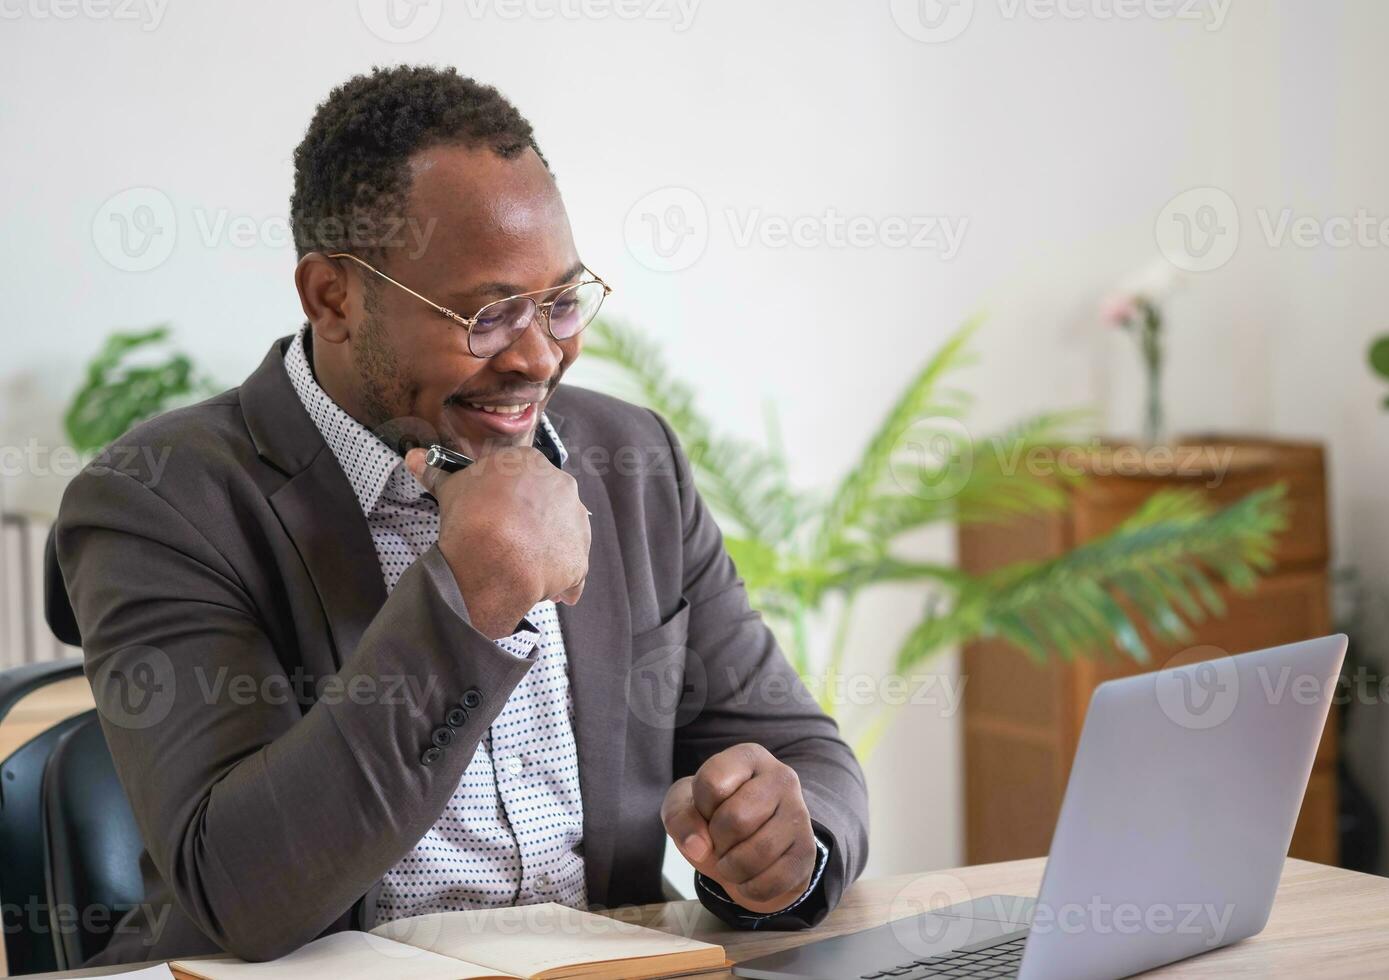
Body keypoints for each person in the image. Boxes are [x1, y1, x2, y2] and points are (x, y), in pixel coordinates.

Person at [55, 65, 869, 965]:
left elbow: (800, 750)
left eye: (560, 302)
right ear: (332, 297)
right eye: (487, 314)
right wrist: (475, 592)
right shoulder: (159, 499)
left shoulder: (630, 462)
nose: (539, 357)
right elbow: (240, 894)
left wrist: (782, 851)